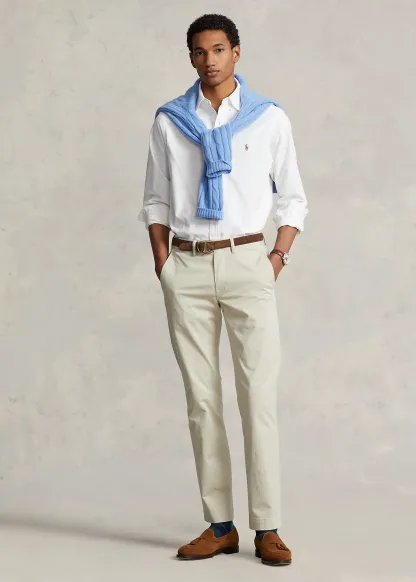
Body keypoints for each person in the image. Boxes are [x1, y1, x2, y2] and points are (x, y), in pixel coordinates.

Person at [137, 13, 309, 566]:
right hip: (186, 266)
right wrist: (163, 261)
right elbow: (156, 198)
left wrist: (276, 257)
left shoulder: (268, 119)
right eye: (198, 51)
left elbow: (293, 198)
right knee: (202, 400)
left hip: (248, 262)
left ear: (236, 52)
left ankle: (268, 528)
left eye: (218, 49)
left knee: (257, 396)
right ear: (190, 57)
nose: (208, 60)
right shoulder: (170, 121)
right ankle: (220, 525)